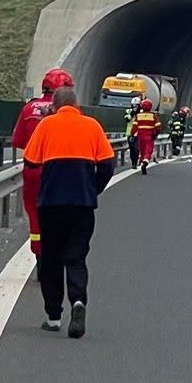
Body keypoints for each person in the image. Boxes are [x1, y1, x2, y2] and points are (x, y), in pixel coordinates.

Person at [20, 86, 115, 338]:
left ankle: (53, 316)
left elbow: (30, 161)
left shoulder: (46, 126)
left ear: (54, 106)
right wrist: (92, 190)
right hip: (82, 204)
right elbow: (107, 164)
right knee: (76, 257)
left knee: (51, 259)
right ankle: (78, 301)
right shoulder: (92, 126)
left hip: (51, 204)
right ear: (77, 105)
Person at [10, 68, 74, 260]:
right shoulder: (67, 113)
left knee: (34, 212)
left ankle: (39, 253)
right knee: (61, 212)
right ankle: (57, 250)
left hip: (33, 169)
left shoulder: (29, 108)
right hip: (59, 171)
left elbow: (18, 140)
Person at [134, 99, 162, 174]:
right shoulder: (153, 115)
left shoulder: (138, 115)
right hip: (150, 136)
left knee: (142, 150)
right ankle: (145, 161)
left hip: (140, 136)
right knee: (148, 150)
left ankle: (142, 159)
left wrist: (132, 134)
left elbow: (134, 126)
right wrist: (156, 133)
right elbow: (158, 126)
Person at [124, 98, 142, 169]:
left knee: (136, 148)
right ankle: (133, 163)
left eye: (136, 105)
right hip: (130, 133)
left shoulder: (142, 112)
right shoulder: (129, 111)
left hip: (139, 133)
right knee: (132, 149)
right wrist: (132, 114)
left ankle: (136, 161)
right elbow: (127, 119)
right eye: (133, 105)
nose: (135, 107)